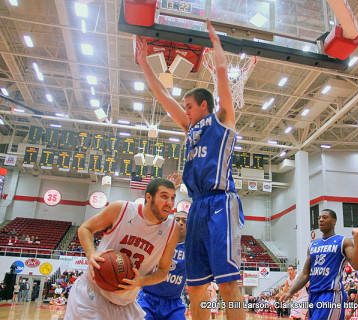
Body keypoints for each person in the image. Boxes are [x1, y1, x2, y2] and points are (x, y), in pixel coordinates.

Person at [138, 19, 245, 320]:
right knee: (196, 289)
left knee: (227, 285)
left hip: (221, 202)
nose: (184, 109)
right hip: (197, 205)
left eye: (189, 105)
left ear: (203, 106)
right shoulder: (189, 129)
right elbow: (163, 96)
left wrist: (218, 50)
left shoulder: (222, 120)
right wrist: (144, 63)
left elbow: (223, 83)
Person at [64, 178, 180, 320]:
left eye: (172, 198)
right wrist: (91, 253)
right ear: (148, 197)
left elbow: (163, 272)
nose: (169, 203)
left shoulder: (172, 229)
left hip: (126, 304)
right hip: (92, 294)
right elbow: (86, 228)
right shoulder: (121, 209)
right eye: (164, 196)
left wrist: (141, 281)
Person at [280, 209, 358, 320]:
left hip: (331, 295)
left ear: (334, 221)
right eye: (319, 218)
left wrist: (356, 237)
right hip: (313, 295)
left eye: (325, 217)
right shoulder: (313, 245)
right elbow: (304, 274)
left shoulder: (343, 241)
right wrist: (290, 291)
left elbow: (357, 266)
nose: (321, 220)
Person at [137, 210, 188, 320]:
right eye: (177, 220)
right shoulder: (158, 240)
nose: (180, 223)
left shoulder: (192, 249)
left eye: (184, 220)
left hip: (173, 303)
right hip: (147, 298)